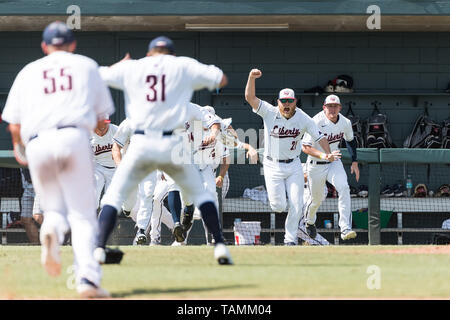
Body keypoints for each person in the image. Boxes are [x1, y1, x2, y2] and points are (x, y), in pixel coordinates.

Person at [96, 36, 233, 265]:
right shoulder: (181, 65)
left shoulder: (134, 67)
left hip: (141, 142)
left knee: (114, 196)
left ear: (149, 53)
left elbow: (98, 76)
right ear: (172, 53)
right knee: (200, 193)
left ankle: (98, 248)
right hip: (171, 144)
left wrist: (118, 67)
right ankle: (219, 246)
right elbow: (221, 78)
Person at [1, 21, 114, 298]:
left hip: (39, 141)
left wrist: (19, 147)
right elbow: (102, 119)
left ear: (44, 46)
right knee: (84, 215)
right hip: (74, 137)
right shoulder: (86, 65)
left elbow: (13, 124)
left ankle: (51, 229)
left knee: (52, 208)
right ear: (72, 45)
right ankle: (87, 279)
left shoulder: (29, 71)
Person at [245, 68, 337, 246]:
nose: (286, 104)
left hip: (294, 165)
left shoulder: (303, 117)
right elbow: (250, 98)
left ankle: (290, 240)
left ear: (295, 102)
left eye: (290, 101)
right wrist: (251, 78)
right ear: (278, 102)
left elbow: (320, 136)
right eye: (283, 101)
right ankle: (290, 230)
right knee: (278, 206)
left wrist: (328, 154)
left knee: (297, 204)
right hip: (272, 165)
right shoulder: (270, 112)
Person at [302, 94, 360, 241]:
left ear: (340, 107)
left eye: (335, 106)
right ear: (324, 107)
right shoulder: (316, 121)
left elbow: (350, 140)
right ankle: (309, 222)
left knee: (344, 188)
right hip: (316, 164)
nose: (332, 109)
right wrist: (323, 156)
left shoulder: (345, 122)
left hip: (334, 161)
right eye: (329, 106)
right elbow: (306, 148)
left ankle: (345, 228)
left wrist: (354, 161)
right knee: (316, 199)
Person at [111, 117, 157, 246]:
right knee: (129, 203)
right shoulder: (128, 123)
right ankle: (127, 208)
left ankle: (141, 231)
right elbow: (115, 147)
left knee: (147, 195)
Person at [91, 118, 118, 210]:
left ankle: (104, 222)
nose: (103, 127)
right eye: (100, 125)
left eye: (105, 124)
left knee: (110, 201)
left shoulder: (116, 130)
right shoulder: (88, 134)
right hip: (98, 166)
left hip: (115, 168)